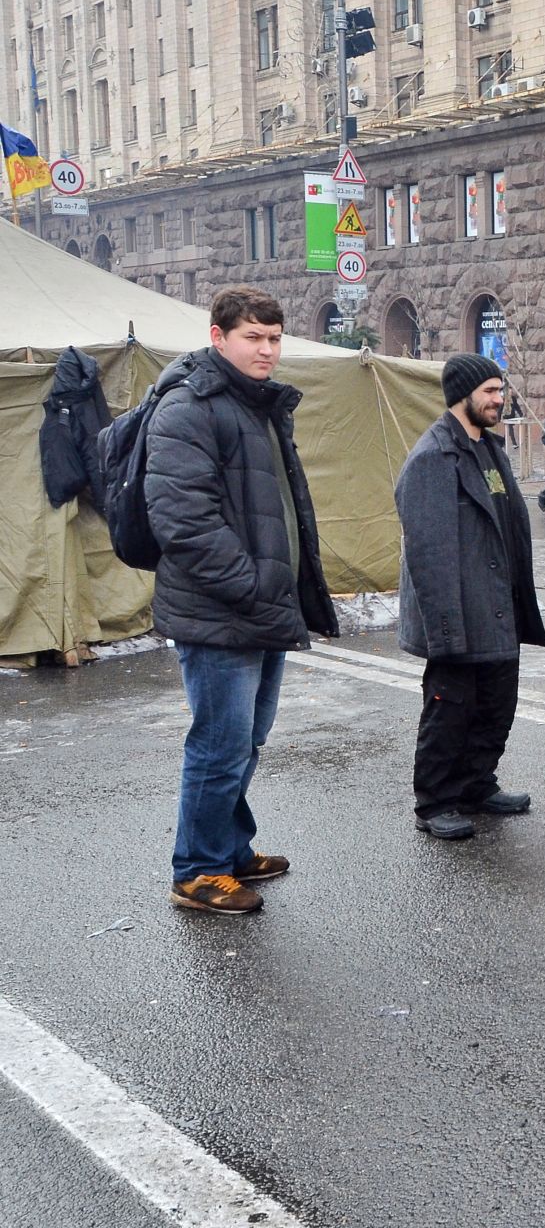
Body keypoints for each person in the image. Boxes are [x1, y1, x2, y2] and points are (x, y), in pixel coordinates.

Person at [145, 286, 338, 914]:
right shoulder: (190, 406)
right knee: (219, 743)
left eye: (275, 338)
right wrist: (252, 585)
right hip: (222, 608)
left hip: (257, 604)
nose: (267, 349)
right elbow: (183, 521)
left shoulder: (254, 404)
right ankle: (196, 871)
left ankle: (228, 848)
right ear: (218, 336)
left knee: (245, 739)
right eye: (253, 337)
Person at [395, 354, 545, 840]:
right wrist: (445, 629)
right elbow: (429, 552)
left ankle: (476, 784)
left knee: (496, 704)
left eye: (500, 391)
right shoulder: (434, 456)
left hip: (497, 605)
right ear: (461, 395)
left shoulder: (489, 448)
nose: (498, 400)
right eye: (488, 392)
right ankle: (436, 801)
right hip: (458, 613)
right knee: (450, 708)